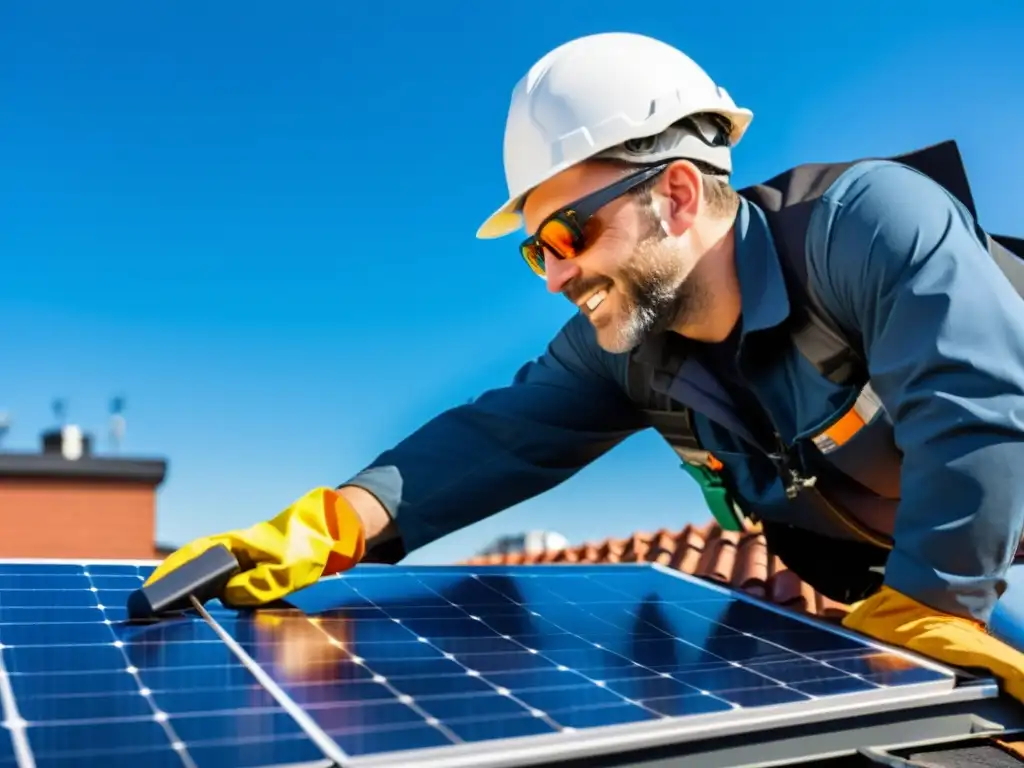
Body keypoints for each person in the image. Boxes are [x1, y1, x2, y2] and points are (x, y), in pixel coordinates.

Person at [150, 32, 1024, 701]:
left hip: (989, 566)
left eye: (569, 235)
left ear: (675, 196)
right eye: (538, 253)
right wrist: (338, 522)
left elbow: (976, 399)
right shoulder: (628, 350)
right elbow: (495, 436)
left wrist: (936, 600)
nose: (558, 274)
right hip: (896, 601)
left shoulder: (865, 227)